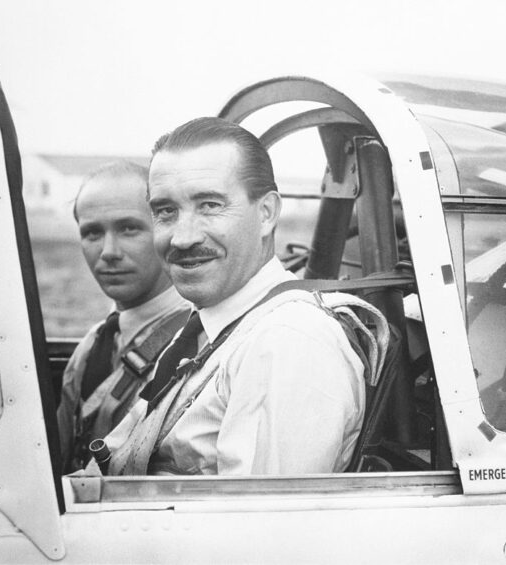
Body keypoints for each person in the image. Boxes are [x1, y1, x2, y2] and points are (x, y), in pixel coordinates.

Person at [103, 117, 386, 476]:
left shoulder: (286, 341)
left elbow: (262, 524)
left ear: (266, 214)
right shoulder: (213, 324)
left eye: (209, 205)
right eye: (165, 211)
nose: (181, 238)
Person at [57, 160, 189, 472]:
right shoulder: (91, 348)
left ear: (167, 231)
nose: (108, 252)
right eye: (92, 233)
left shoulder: (194, 345)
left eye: (129, 228)